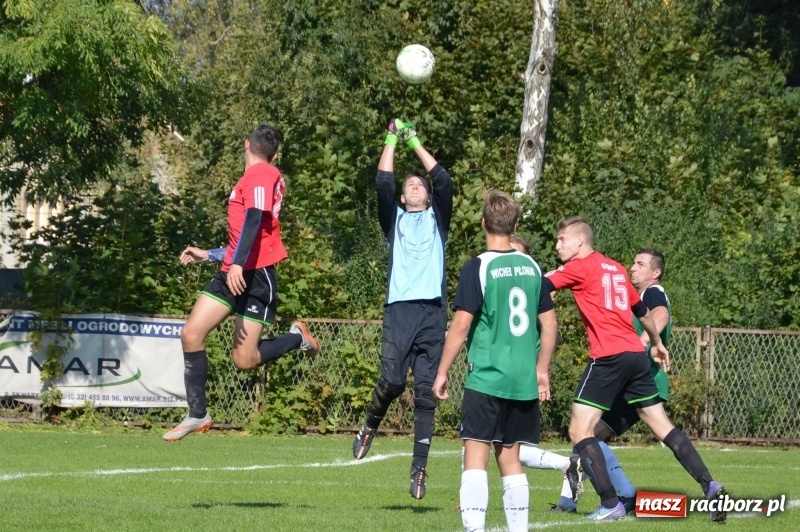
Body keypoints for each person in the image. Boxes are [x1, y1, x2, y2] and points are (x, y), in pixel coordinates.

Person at [542, 216, 727, 522]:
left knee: (579, 430)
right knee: (662, 426)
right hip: (635, 356)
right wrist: (657, 343)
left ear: (580, 241)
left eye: (562, 239)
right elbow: (641, 312)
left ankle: (610, 502)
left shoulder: (580, 266)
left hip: (608, 356)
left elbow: (540, 285)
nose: (557, 245)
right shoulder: (614, 268)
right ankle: (710, 484)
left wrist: (544, 296)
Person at [163, 124, 320, 442]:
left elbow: (253, 220)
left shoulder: (263, 173)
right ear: (275, 152)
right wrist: (210, 255)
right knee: (191, 334)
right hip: (232, 271)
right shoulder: (252, 178)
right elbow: (247, 235)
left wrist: (236, 264)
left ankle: (297, 337)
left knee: (243, 360)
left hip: (256, 275)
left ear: (246, 144)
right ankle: (197, 414)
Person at [433, 190, 557, 532]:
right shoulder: (532, 267)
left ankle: (475, 529)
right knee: (511, 457)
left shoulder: (479, 266)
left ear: (483, 223)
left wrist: (442, 371)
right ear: (514, 224)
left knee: (476, 456)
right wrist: (541, 370)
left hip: (487, 376)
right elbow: (550, 325)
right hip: (522, 379)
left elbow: (460, 325)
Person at [352, 119, 453, 500]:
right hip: (400, 311)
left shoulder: (436, 220)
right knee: (393, 382)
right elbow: (382, 183)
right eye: (409, 185)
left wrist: (415, 142)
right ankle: (370, 426)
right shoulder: (393, 221)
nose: (415, 186)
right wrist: (391, 140)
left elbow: (444, 181)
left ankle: (420, 470)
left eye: (420, 186)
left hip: (432, 313)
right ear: (402, 198)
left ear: (427, 198)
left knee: (426, 393)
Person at [548, 248, 672, 514]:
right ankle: (611, 497)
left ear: (656, 272)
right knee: (586, 435)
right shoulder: (632, 293)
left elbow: (660, 316)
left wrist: (643, 343)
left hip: (639, 382)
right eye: (634, 262)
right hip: (631, 381)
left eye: (641, 264)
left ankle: (604, 499)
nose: (634, 267)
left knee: (585, 434)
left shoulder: (654, 292)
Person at [509, 235, 584, 508]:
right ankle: (566, 464)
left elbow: (550, 320)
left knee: (496, 443)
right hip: (502, 372)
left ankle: (565, 464)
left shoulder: (534, 286)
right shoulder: (499, 280)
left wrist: (542, 372)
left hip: (517, 375)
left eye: (517, 254)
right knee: (501, 445)